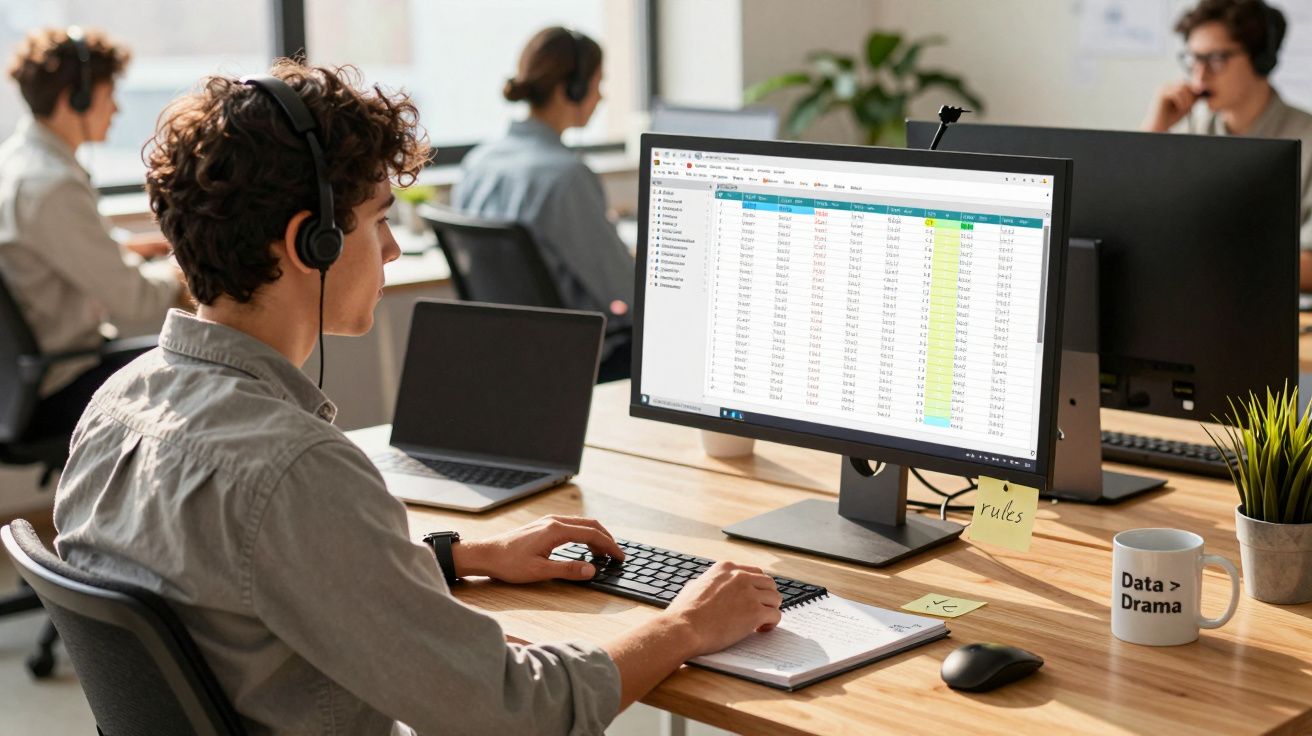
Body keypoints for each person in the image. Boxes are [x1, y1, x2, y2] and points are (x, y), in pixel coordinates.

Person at [53, 59, 781, 735]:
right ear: (314, 245)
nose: (394, 249)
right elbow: (514, 711)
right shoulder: (295, 470)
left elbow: (253, 588)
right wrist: (683, 626)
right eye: (379, 220)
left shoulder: (114, 409)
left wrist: (463, 555)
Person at [0, 27, 181, 434]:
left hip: (18, 383)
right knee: (205, 361)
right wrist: (184, 273)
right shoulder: (51, 188)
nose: (116, 109)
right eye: (108, 94)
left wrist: (129, 249)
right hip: (60, 385)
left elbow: (54, 250)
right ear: (75, 99)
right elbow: (136, 302)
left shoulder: (19, 162)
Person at [453, 27, 634, 381]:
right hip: (577, 360)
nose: (601, 97)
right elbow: (624, 295)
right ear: (573, 88)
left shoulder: (478, 162)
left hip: (505, 356)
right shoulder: (566, 177)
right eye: (598, 84)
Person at [1142, 0, 1312, 289]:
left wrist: (1214, 259)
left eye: (1216, 59)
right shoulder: (1194, 129)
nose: (1200, 75)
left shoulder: (1307, 137)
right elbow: (1131, 213)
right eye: (1193, 59)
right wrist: (1156, 128)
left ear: (1261, 59)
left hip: (1276, 306)